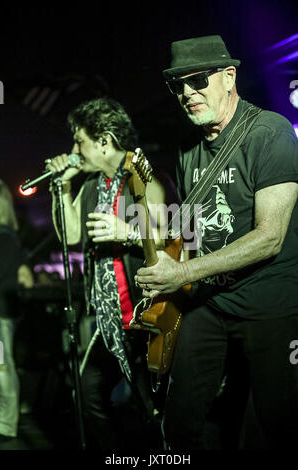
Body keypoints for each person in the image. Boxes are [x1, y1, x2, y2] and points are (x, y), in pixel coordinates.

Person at [135, 35, 298, 450]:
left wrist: (183, 272)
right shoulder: (188, 147)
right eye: (178, 86)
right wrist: (158, 276)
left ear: (229, 77)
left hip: (270, 306)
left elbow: (270, 238)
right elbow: (190, 230)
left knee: (276, 420)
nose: (188, 94)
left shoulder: (271, 132)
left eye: (198, 80)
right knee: (181, 419)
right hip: (210, 303)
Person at [47, 97, 169, 450]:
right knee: (87, 394)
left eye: (79, 140)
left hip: (149, 315)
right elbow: (71, 236)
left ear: (105, 140)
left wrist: (127, 232)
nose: (74, 150)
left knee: (151, 407)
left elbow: (175, 235)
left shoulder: (144, 175)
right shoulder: (91, 187)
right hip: (111, 320)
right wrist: (64, 186)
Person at [0, 178, 21, 443]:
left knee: (2, 367)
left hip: (1, 316)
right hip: (2, 314)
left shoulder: (3, 237)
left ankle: (6, 424)